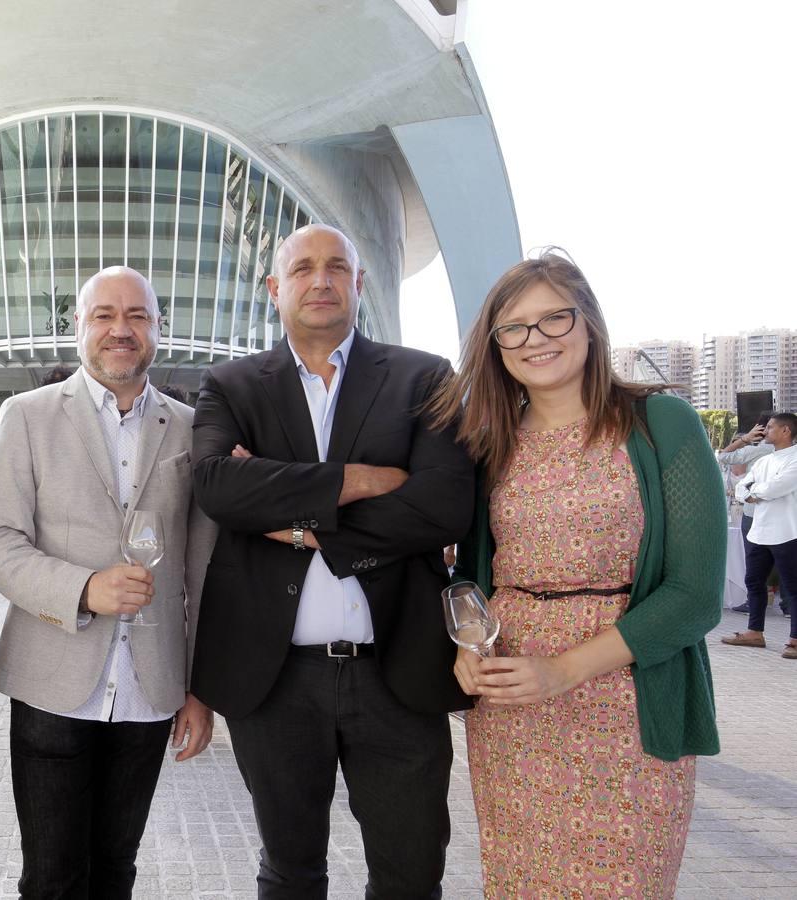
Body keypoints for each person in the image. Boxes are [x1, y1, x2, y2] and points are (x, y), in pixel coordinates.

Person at [189, 224, 473, 898]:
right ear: (275, 288)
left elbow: (441, 506)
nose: (321, 281)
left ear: (359, 283)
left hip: (397, 672)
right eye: (304, 268)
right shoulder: (232, 386)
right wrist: (372, 479)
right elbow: (218, 489)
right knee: (290, 870)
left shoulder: (423, 377)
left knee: (409, 875)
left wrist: (293, 521)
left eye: (337, 267)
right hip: (277, 680)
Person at [432, 249, 723, 897]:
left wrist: (562, 670)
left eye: (554, 319)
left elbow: (695, 594)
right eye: (515, 327)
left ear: (589, 323)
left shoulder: (661, 425)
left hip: (628, 706)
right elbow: (471, 576)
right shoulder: (491, 440)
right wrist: (466, 646)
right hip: (513, 714)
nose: (536, 339)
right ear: (496, 344)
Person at [0, 266, 217, 898]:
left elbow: (202, 571)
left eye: (137, 316)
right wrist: (84, 589)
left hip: (150, 686)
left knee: (116, 872)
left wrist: (201, 689)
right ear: (78, 327)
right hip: (53, 683)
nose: (121, 329)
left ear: (158, 330)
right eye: (104, 315)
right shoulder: (24, 416)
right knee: (52, 878)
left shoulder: (192, 429)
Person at [722, 412, 797, 656]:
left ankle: (795, 639)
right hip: (759, 531)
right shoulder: (765, 460)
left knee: (793, 586)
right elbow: (743, 485)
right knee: (754, 582)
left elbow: (779, 486)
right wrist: (750, 493)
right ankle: (755, 632)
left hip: (788, 530)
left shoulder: (794, 458)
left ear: (786, 431)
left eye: (772, 427)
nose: (766, 431)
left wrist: (756, 492)